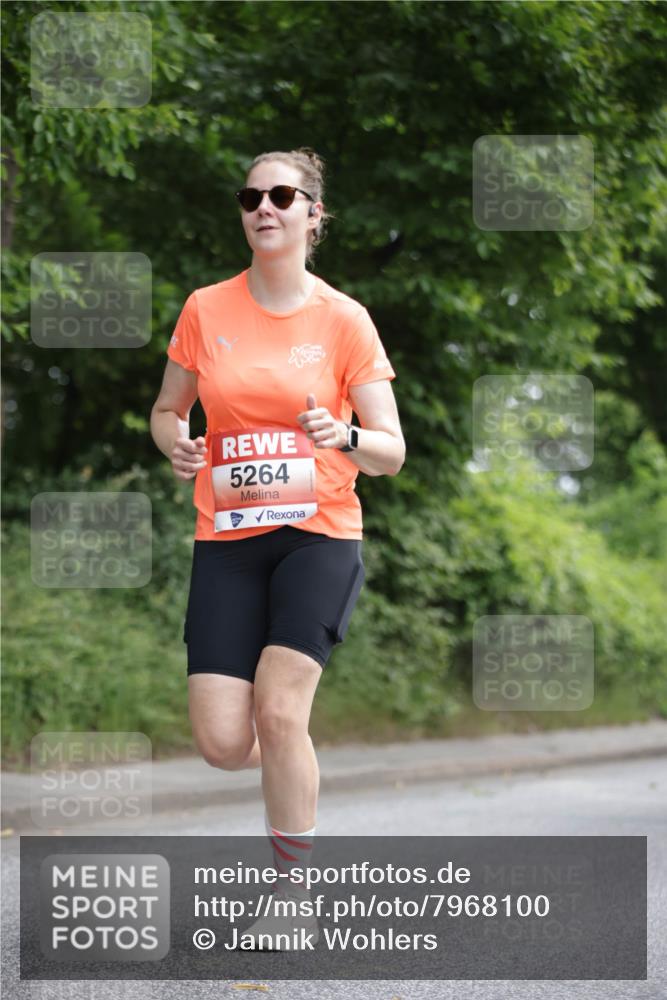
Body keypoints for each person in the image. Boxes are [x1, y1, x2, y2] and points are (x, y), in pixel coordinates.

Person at [150, 147, 405, 948]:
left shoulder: (343, 318)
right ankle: (282, 744)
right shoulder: (204, 308)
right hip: (226, 538)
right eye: (251, 195)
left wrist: (345, 432)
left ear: (312, 214)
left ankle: (292, 892)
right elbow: (165, 410)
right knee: (226, 743)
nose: (265, 206)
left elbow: (391, 449)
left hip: (319, 534)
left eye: (282, 195)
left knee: (279, 708)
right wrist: (177, 444)